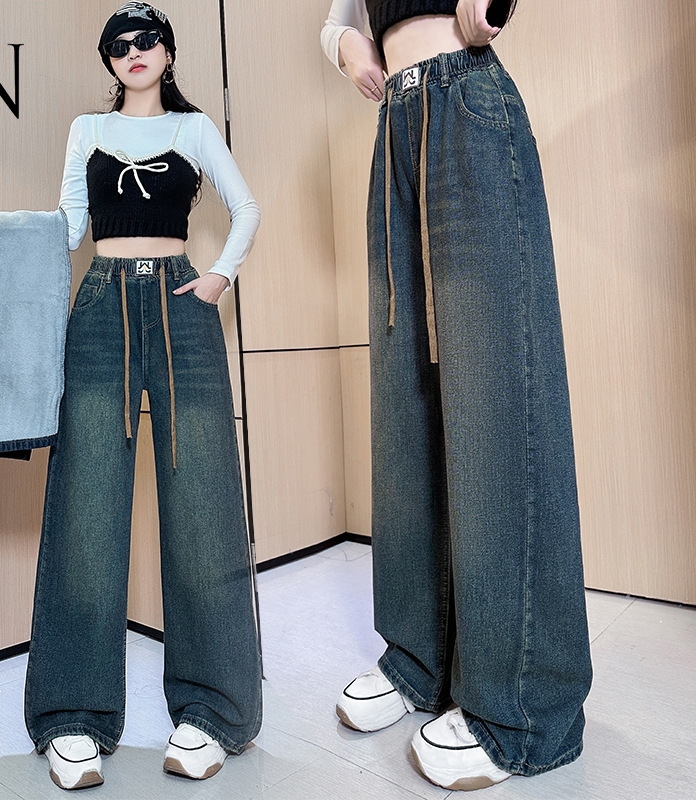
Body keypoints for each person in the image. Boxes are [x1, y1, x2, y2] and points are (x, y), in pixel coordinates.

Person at [0, 2, 262, 791]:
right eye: (119, 45)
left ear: (167, 51)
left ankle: (212, 712)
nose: (134, 51)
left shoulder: (193, 129)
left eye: (147, 40)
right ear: (109, 61)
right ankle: (72, 715)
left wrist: (219, 276)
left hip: (181, 304)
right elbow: (66, 229)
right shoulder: (87, 129)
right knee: (86, 505)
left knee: (203, 504)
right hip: (102, 304)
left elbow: (246, 206)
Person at [321, 0, 592, 791]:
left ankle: (523, 706)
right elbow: (338, 18)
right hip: (396, 126)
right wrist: (346, 46)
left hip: (468, 99)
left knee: (498, 395)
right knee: (405, 398)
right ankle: (419, 660)